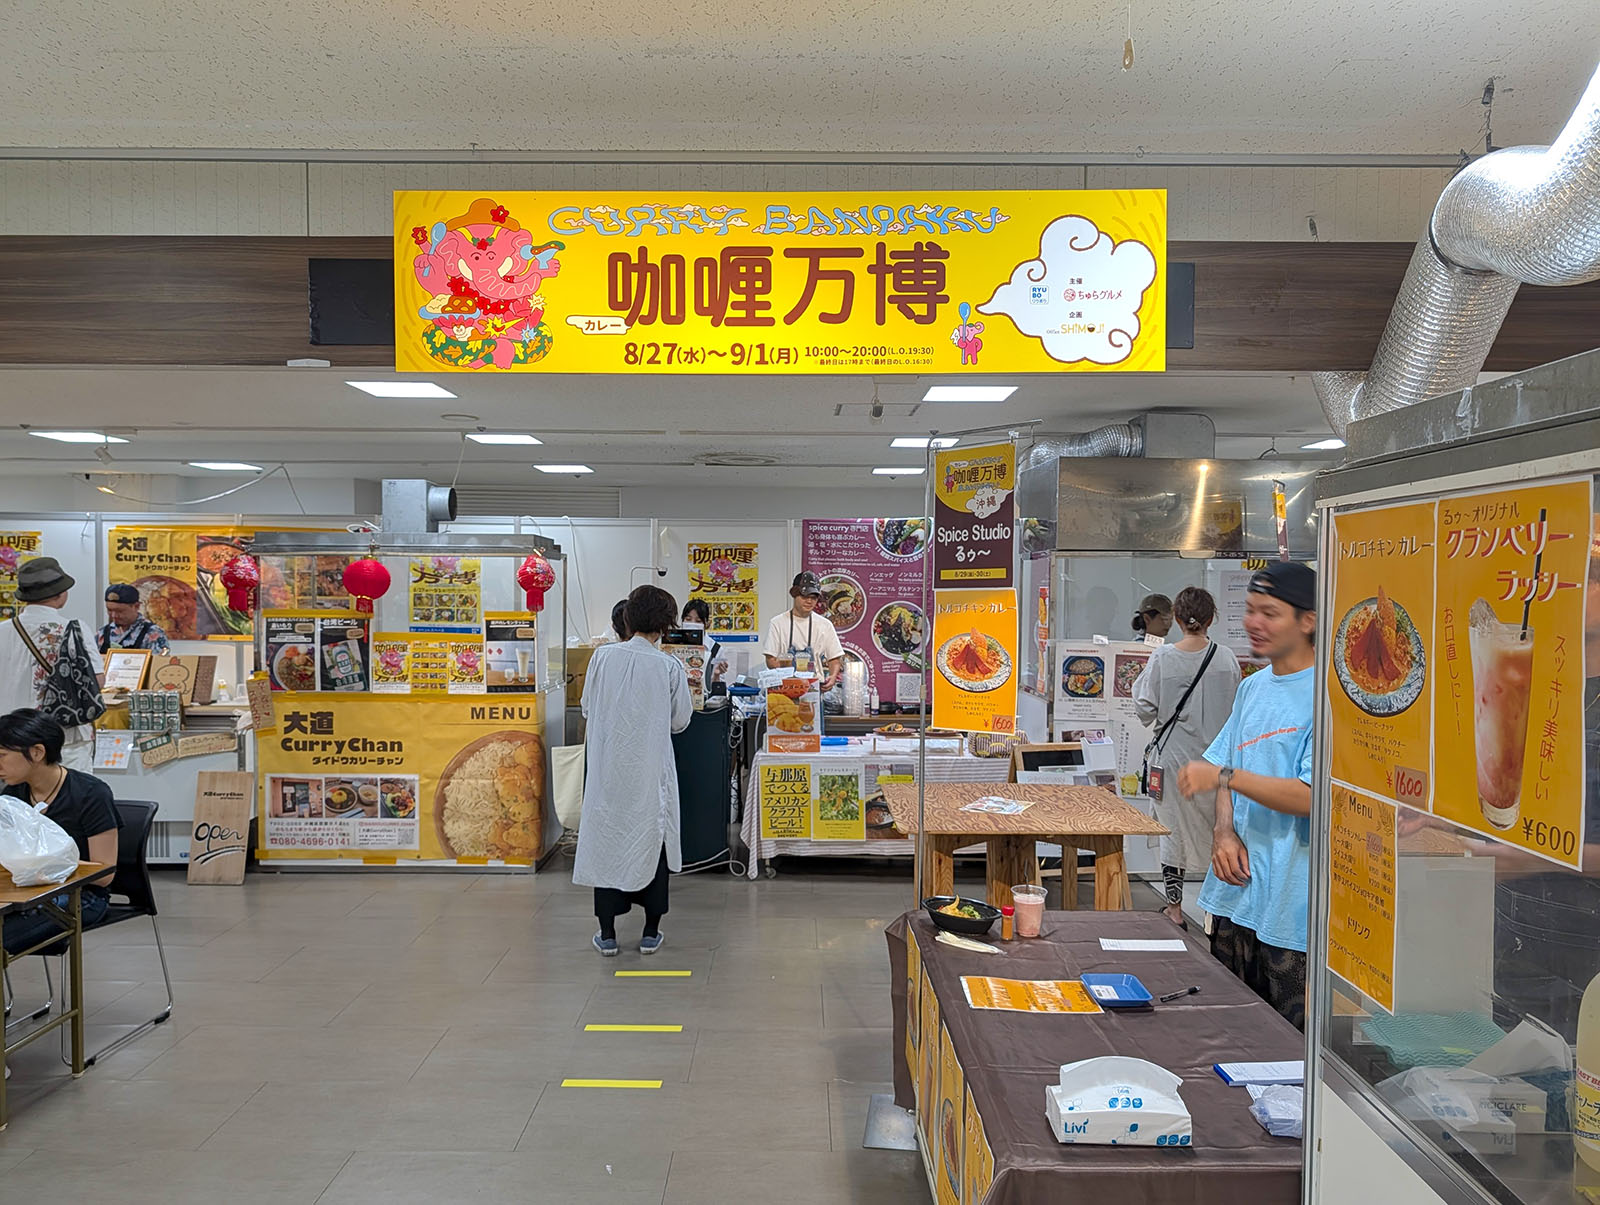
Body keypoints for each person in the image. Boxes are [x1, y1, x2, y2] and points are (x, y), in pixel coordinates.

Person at [1177, 561, 1316, 1029]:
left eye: (1270, 613)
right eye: (1251, 610)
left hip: (1292, 912)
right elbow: (1224, 769)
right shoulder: (1252, 687)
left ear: (1308, 620)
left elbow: (1311, 798)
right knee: (1229, 1034)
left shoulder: (1328, 696)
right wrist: (1223, 832)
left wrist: (1227, 776)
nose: (1254, 622)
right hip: (1237, 896)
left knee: (1288, 1047)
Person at [574, 585, 693, 956]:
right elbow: (681, 720)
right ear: (665, 624)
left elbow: (587, 707)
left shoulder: (601, 658)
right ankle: (650, 933)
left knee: (608, 844)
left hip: (608, 774)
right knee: (651, 841)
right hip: (649, 774)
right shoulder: (668, 666)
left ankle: (607, 934)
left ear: (628, 617)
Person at [1133, 586, 1241, 928]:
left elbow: (1144, 707)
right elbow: (1237, 712)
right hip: (1218, 764)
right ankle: (1213, 913)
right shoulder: (1227, 658)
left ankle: (1175, 909)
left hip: (1174, 761)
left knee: (1173, 833)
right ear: (1212, 618)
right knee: (1219, 830)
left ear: (1177, 619)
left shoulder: (1163, 657)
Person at [0, 709, 121, 957]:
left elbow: (105, 874)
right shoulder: (13, 795)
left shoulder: (91, 794)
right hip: (27, 894)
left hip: (82, 897)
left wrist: (44, 866)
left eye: (2, 755)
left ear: (37, 752)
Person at [0, 557, 105, 771]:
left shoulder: (2, 631)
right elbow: (97, 682)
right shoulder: (74, 630)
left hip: (10, 739)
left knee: (14, 792)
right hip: (64, 739)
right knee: (67, 790)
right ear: (61, 593)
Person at [763, 571, 844, 690]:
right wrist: (788, 674)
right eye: (805, 596)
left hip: (813, 688)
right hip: (784, 688)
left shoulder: (825, 625)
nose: (809, 601)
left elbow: (834, 658)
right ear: (794, 594)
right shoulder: (777, 623)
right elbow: (770, 660)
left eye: (813, 598)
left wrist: (832, 677)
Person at [97, 583, 171, 656]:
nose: (114, 615)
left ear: (136, 606)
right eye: (109, 610)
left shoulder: (153, 633)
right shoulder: (102, 634)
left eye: (120, 611)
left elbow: (159, 662)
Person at [681, 598, 729, 687]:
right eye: (688, 619)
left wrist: (717, 675)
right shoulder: (673, 644)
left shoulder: (715, 649)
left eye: (698, 621)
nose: (692, 624)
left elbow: (717, 687)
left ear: (707, 623)